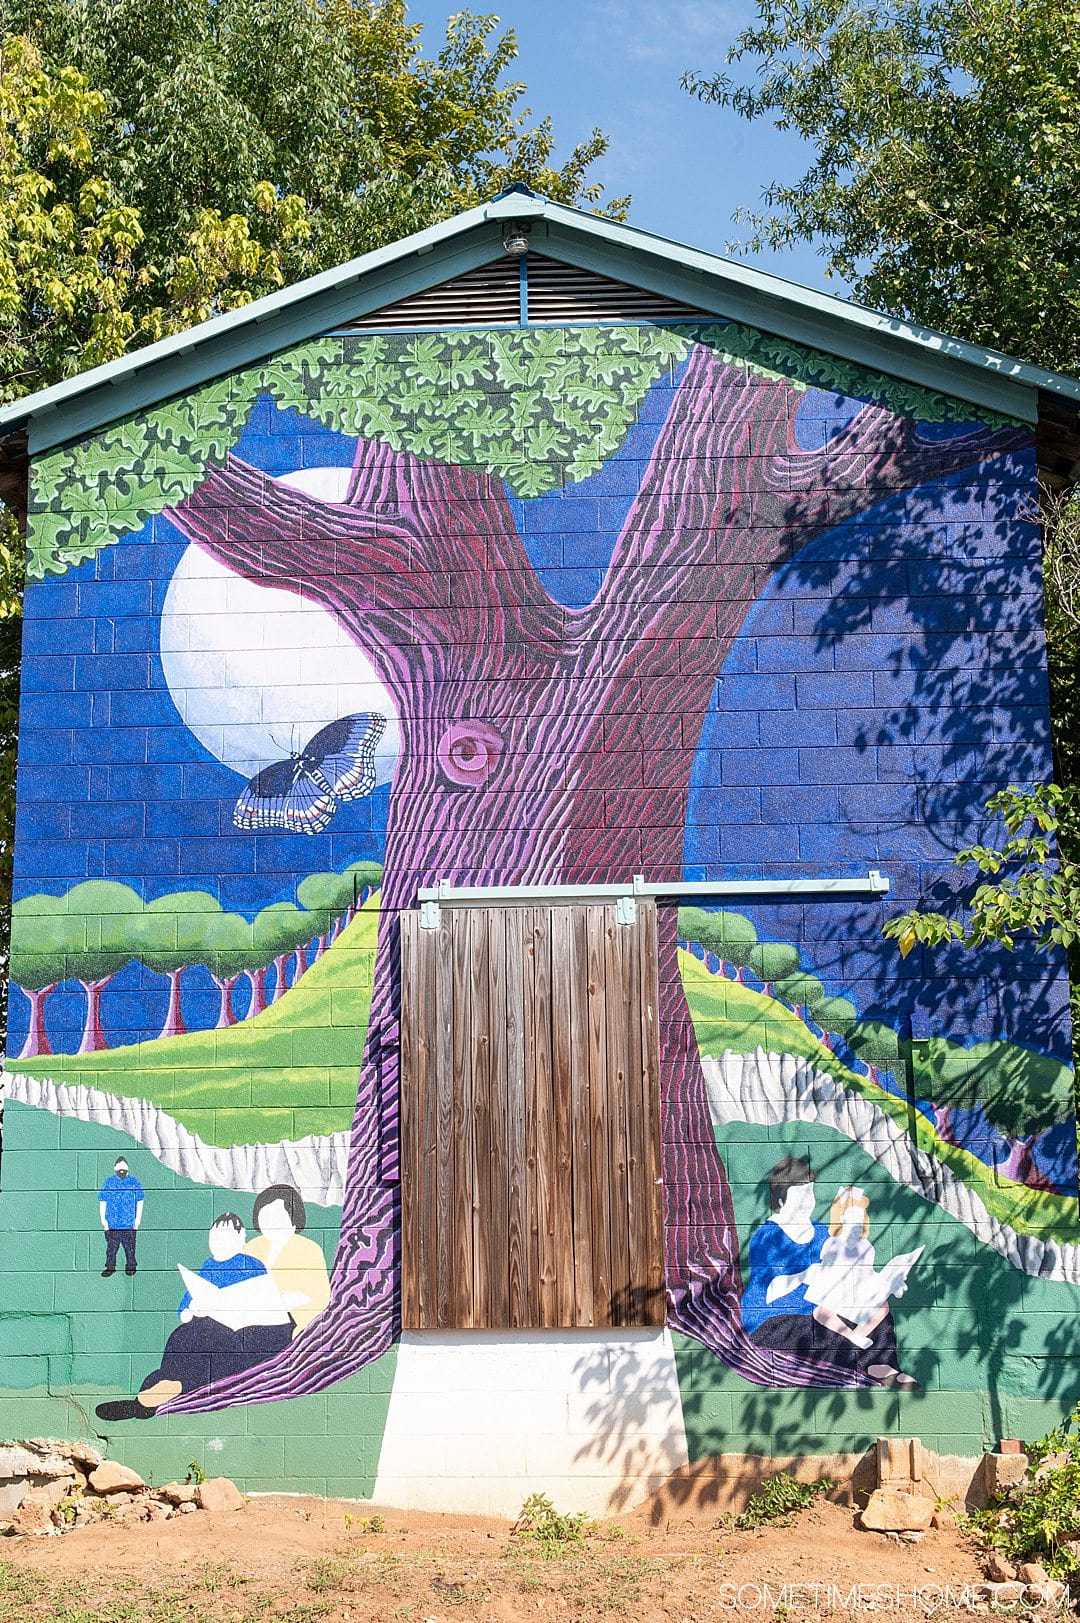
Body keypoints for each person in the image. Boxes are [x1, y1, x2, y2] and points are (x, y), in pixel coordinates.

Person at [741, 1157, 915, 1387]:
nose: (807, 1201)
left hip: (822, 1309)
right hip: (775, 1319)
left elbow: (850, 1272)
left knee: (878, 1310)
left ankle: (883, 1364)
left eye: (810, 1193)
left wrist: (884, 1284)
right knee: (819, 1333)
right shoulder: (769, 1237)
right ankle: (866, 1364)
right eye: (800, 1194)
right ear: (781, 1197)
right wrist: (803, 1275)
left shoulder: (822, 1232)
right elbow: (769, 1291)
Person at [244, 1184, 331, 1336]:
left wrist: (293, 1301)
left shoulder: (309, 1250)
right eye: (265, 1216)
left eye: (276, 1216)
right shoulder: (253, 1247)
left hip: (290, 1321)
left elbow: (321, 1299)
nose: (270, 1222)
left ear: (293, 1217)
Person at [98, 1156, 144, 1277]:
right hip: (112, 1224)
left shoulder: (134, 1182)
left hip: (129, 1224)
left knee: (130, 1249)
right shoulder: (109, 1182)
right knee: (111, 1250)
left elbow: (140, 1201)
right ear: (115, 1168)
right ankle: (110, 1267)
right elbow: (103, 1201)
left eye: (124, 1169)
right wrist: (104, 1221)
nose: (122, 1171)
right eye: (119, 1169)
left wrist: (137, 1220)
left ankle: (131, 1266)